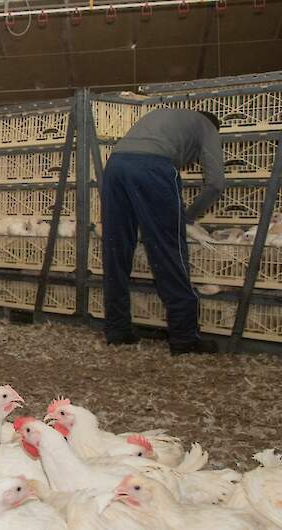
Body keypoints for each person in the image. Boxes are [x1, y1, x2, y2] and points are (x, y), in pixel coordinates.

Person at [100, 109, 226, 355]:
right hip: (152, 166)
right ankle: (184, 337)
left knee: (116, 249)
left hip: (115, 166)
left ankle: (117, 330)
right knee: (168, 250)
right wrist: (187, 217)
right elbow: (215, 183)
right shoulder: (208, 126)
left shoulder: (168, 117)